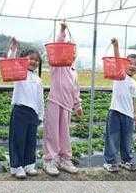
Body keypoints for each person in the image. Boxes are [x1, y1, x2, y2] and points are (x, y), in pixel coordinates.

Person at [43, 21, 83, 176]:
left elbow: (75, 90)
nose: (71, 54)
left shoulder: (73, 71)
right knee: (52, 132)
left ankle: (64, 159)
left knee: (64, 133)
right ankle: (50, 160)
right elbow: (59, 44)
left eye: (74, 51)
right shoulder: (57, 65)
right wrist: (62, 30)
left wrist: (78, 105)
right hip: (54, 101)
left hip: (67, 106)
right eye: (68, 50)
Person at [103, 38, 136, 173]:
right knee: (112, 137)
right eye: (129, 63)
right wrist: (116, 46)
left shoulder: (133, 83)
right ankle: (110, 162)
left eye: (135, 64)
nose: (132, 66)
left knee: (127, 139)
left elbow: (133, 99)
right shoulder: (120, 75)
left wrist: (135, 114)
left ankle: (126, 161)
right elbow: (118, 61)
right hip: (115, 111)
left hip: (128, 115)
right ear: (124, 64)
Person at [8, 38, 44, 178]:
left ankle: (29, 165)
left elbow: (40, 99)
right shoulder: (19, 72)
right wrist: (14, 49)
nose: (34, 62)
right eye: (31, 59)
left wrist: (40, 115)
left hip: (33, 113)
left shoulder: (38, 80)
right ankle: (17, 167)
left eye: (36, 60)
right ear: (24, 60)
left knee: (31, 140)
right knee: (18, 139)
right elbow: (10, 63)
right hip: (20, 111)